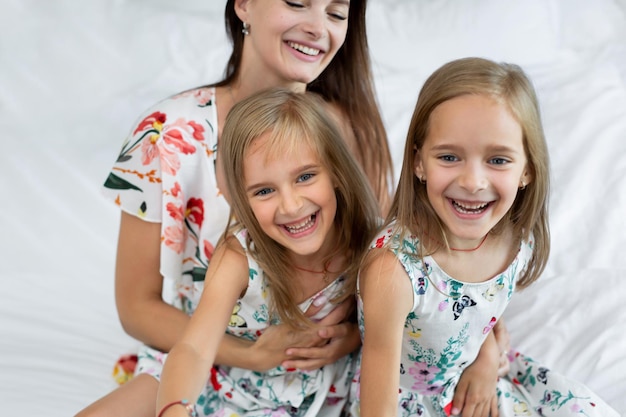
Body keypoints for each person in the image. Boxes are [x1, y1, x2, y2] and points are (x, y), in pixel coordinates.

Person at [77, 1, 393, 416]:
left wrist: (353, 336)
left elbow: (393, 267)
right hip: (205, 361)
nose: (318, 27)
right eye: (297, 2)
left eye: (336, 14)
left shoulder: (349, 133)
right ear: (243, 5)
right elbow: (137, 307)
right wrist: (251, 355)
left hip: (318, 382)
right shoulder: (166, 136)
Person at [349, 57, 620, 417]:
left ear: (527, 170)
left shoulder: (515, 239)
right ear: (418, 163)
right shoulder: (394, 271)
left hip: (479, 380)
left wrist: (487, 358)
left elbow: (477, 315)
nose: (473, 182)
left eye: (498, 160)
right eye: (449, 156)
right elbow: (377, 407)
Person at [155, 87, 381, 416]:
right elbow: (193, 348)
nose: (290, 206)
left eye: (305, 176)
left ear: (336, 172)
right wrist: (174, 411)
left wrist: (356, 337)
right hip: (241, 392)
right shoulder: (238, 257)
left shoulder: (371, 243)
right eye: (264, 191)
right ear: (242, 199)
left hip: (331, 393)